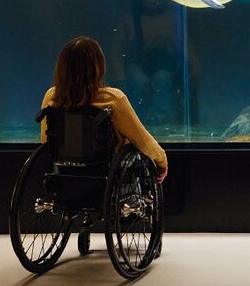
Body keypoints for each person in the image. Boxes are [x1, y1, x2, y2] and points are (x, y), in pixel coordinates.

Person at [41, 36, 168, 183]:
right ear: (98, 67)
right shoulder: (113, 99)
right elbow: (142, 140)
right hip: (106, 176)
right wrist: (162, 162)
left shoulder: (52, 96)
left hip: (65, 173)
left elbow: (46, 140)